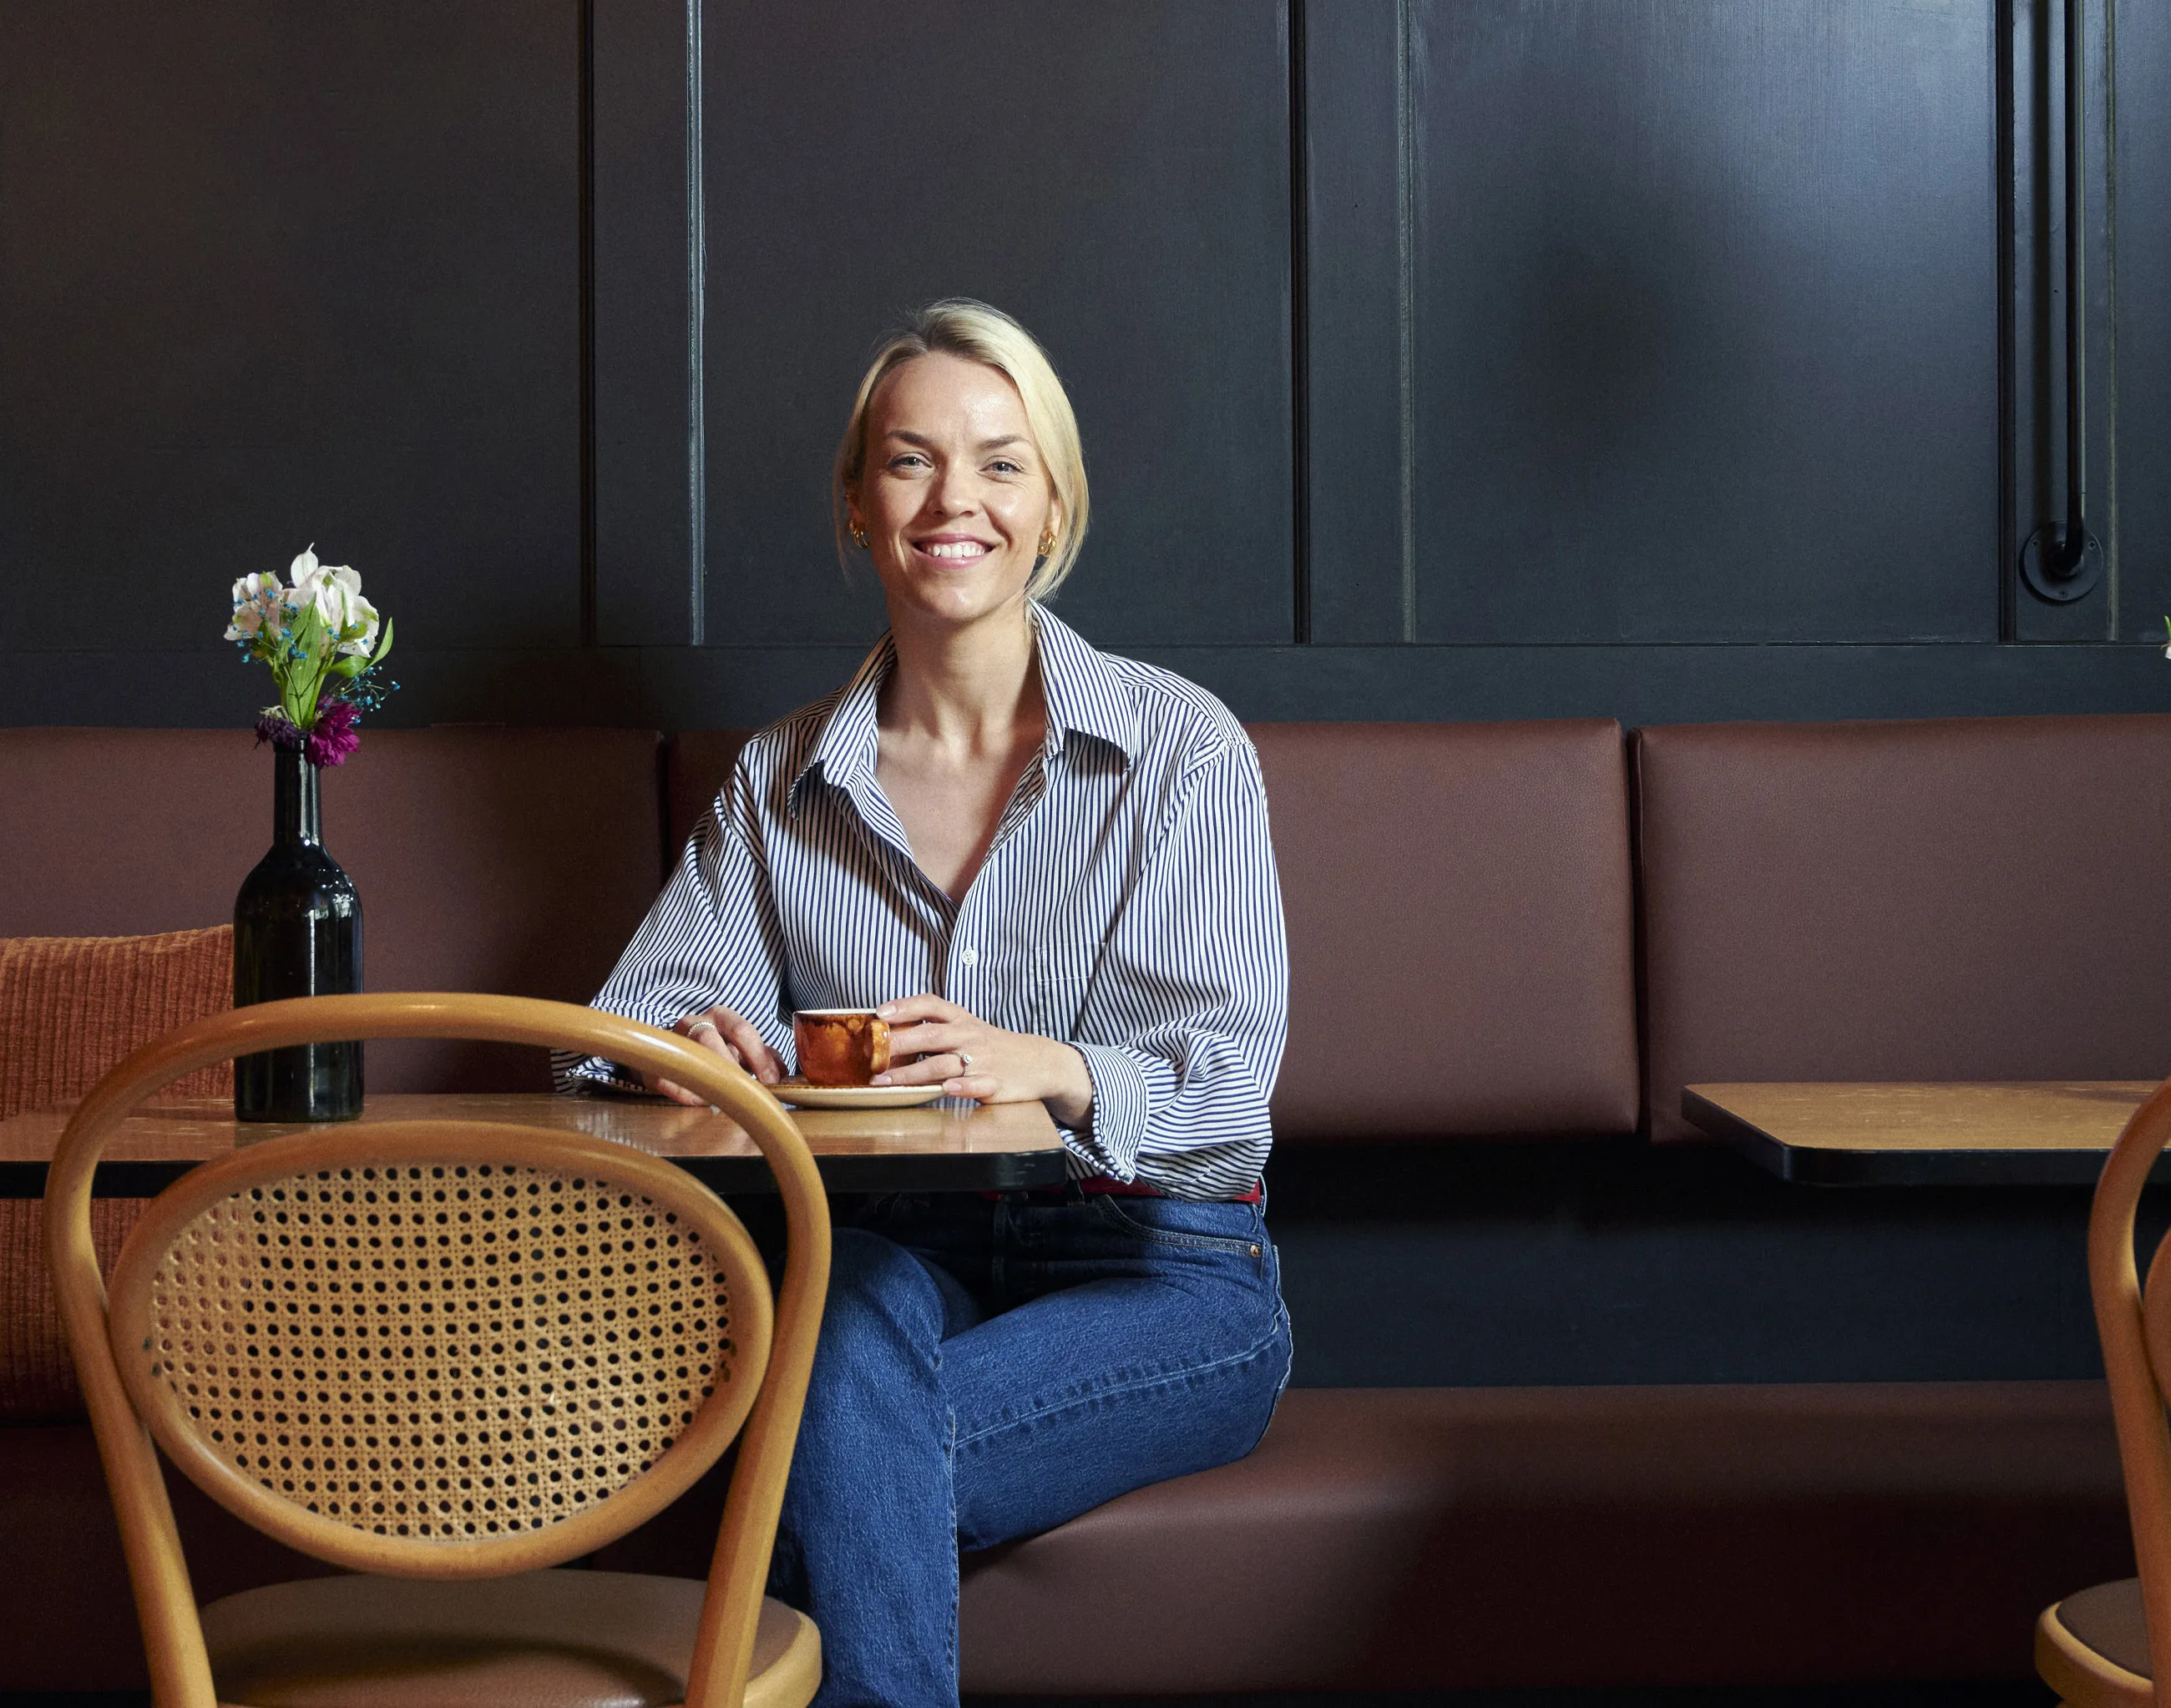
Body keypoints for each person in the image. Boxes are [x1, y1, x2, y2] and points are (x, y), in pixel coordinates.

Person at [561, 299, 1292, 1708]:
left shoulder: (1181, 750)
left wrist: (1053, 1068)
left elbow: (1226, 1096)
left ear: (1053, 503)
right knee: (838, 1329)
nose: (955, 498)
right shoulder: (782, 778)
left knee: (818, 1443)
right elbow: (635, 1015)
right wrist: (682, 1053)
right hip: (897, 1253)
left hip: (1166, 1270)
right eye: (910, 462)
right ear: (856, 505)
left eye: (1000, 462)